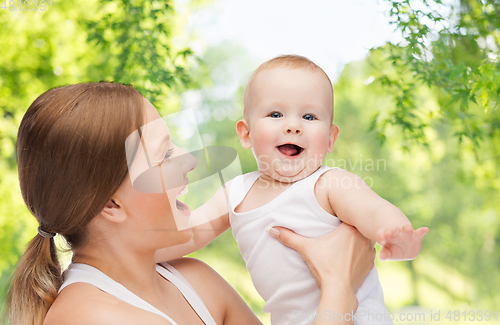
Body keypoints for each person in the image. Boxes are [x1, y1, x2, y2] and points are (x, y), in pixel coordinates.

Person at [8, 81, 376, 325]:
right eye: (164, 154)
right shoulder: (90, 318)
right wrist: (339, 289)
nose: (190, 160)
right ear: (110, 205)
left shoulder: (193, 280)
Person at [155, 55, 429, 325]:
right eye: (276, 114)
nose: (293, 126)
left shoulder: (328, 184)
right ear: (246, 134)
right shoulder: (235, 193)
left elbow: (373, 210)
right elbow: (188, 234)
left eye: (309, 116)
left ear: (331, 138)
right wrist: (139, 253)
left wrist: (394, 231)